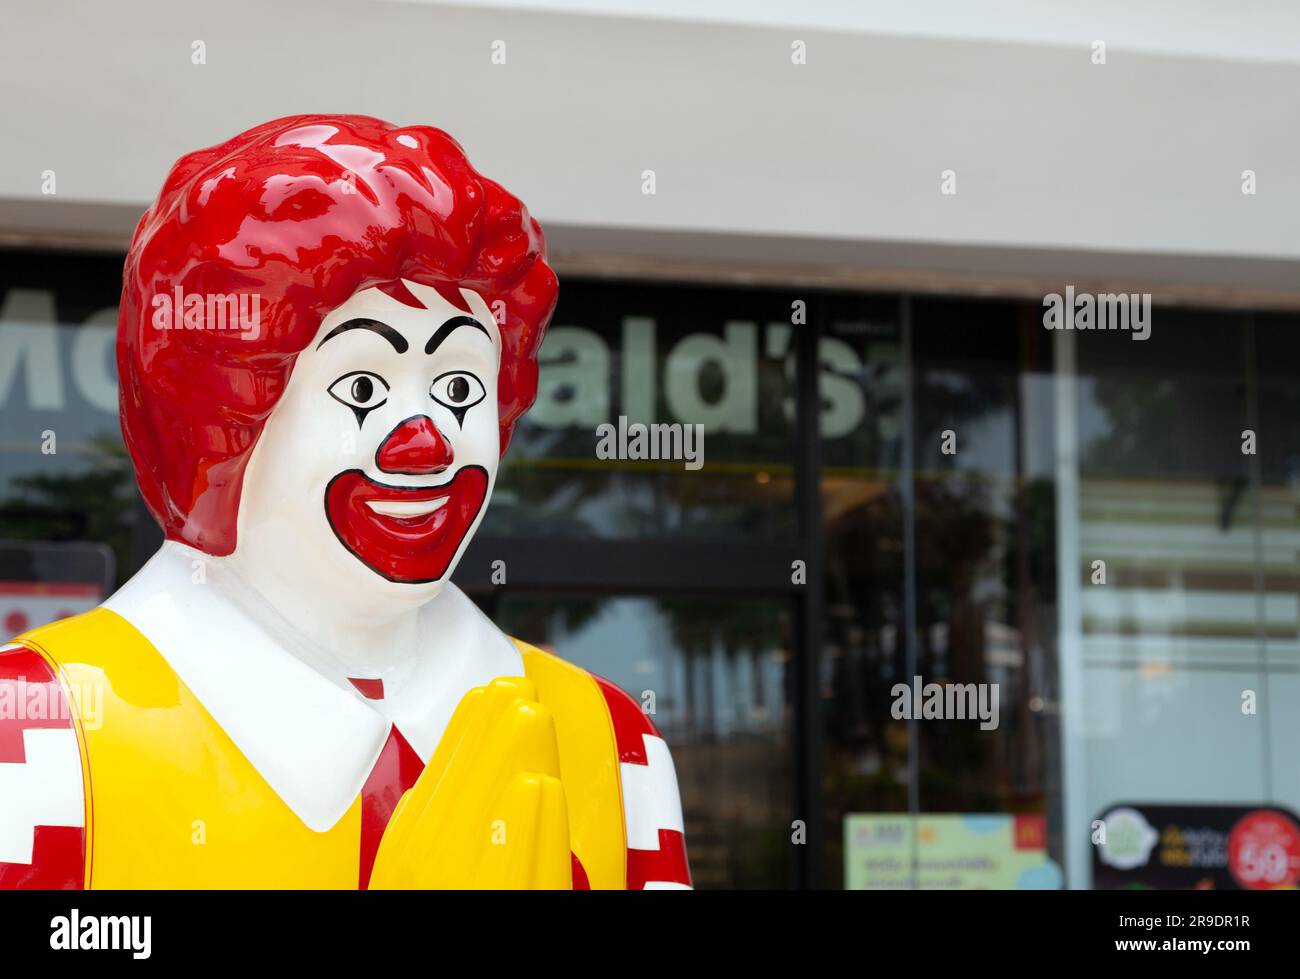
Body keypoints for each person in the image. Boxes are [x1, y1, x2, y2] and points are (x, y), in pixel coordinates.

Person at [0, 115, 690, 890]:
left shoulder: (612, 744)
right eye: (361, 387)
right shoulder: (37, 734)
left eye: (460, 387)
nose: (425, 442)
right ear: (224, 417)